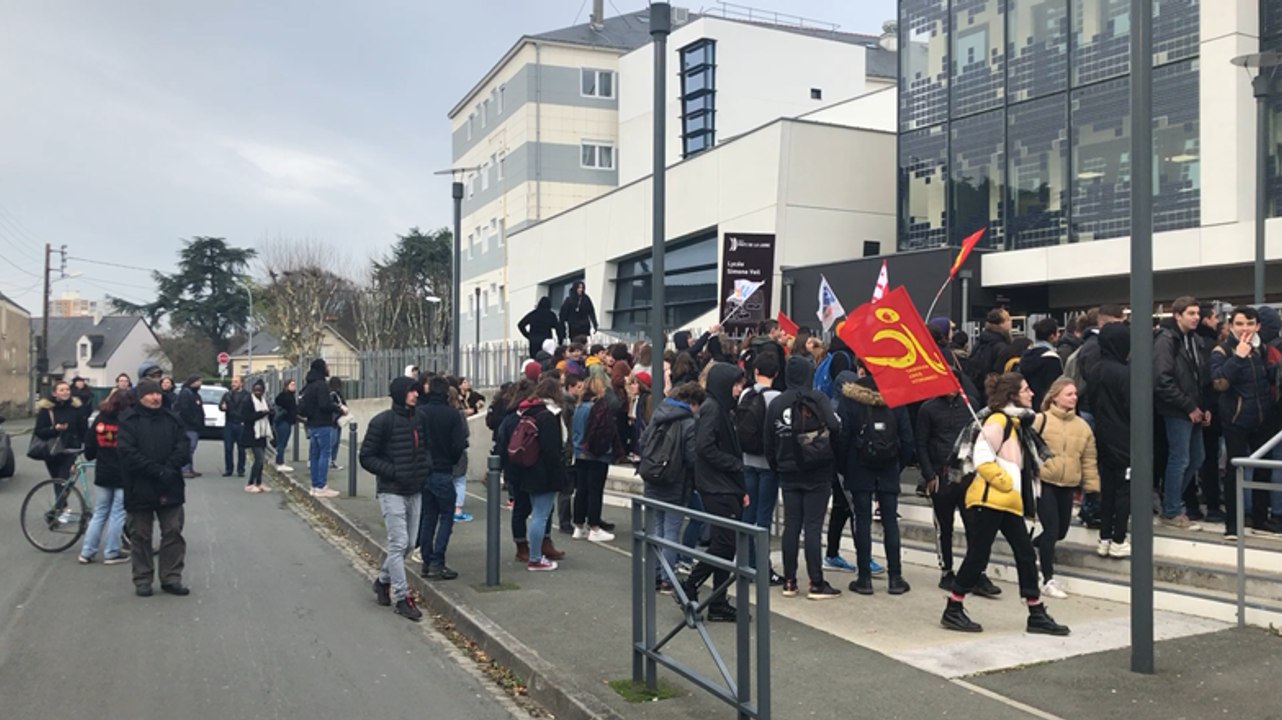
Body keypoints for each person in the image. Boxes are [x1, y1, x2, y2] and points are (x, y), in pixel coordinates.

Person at [941, 373, 1069, 636]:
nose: (1032, 393)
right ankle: (954, 607)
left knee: (1023, 554)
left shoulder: (1015, 423)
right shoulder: (999, 421)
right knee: (979, 556)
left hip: (1005, 501)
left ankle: (1035, 611)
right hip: (991, 500)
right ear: (1013, 395)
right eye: (1026, 389)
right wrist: (1006, 483)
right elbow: (982, 458)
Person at [766, 356, 843, 600]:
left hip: (787, 471)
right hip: (818, 470)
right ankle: (816, 582)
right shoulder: (817, 398)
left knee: (791, 525)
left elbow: (768, 440)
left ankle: (789, 580)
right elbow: (835, 426)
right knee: (812, 527)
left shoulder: (777, 403)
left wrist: (777, 465)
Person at [835, 368, 913, 596]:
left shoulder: (850, 398)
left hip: (859, 467)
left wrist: (845, 467)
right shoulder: (896, 398)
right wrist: (898, 466)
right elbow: (907, 439)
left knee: (862, 520)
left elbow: (842, 437)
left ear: (861, 370)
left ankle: (864, 578)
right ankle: (895, 577)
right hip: (889, 467)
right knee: (890, 521)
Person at [680, 362, 748, 622]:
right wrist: (735, 466)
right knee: (724, 544)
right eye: (736, 384)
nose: (739, 389)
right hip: (717, 485)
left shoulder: (718, 408)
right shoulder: (713, 409)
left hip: (723, 485)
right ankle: (694, 584)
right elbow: (705, 447)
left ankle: (718, 600)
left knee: (726, 545)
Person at [917, 389, 999, 595]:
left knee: (975, 525)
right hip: (941, 476)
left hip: (967, 474)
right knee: (944, 527)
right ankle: (947, 570)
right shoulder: (928, 408)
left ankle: (977, 572)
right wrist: (929, 475)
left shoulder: (969, 402)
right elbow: (921, 444)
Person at [362, 377, 429, 621]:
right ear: (400, 394)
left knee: (410, 543)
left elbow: (425, 448)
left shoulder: (420, 419)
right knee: (399, 542)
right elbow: (366, 456)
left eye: (416, 391)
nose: (415, 395)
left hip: (415, 488)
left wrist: (424, 468)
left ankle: (382, 581)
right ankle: (402, 596)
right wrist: (393, 471)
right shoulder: (382, 422)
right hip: (391, 490)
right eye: (411, 392)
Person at [118, 378, 191, 598]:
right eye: (150, 394)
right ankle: (143, 579)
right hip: (139, 485)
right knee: (140, 535)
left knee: (173, 532)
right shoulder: (129, 420)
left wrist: (168, 469)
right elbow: (127, 452)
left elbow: (183, 446)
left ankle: (171, 577)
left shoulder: (172, 419)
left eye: (158, 393)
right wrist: (154, 470)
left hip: (170, 485)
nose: (155, 397)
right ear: (141, 397)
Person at [1211, 306, 1278, 538]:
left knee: (1263, 470)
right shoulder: (1222, 350)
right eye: (1239, 324)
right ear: (1231, 326)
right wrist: (1238, 357)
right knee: (1234, 470)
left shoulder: (1263, 349)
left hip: (1262, 418)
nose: (1245, 329)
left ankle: (1260, 520)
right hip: (1236, 419)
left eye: (1250, 324)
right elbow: (1219, 382)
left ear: (1258, 326)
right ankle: (1233, 524)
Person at [1033, 377, 1100, 598]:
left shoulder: (1082, 427)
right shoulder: (1040, 420)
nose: (1074, 398)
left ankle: (1033, 547)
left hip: (1068, 483)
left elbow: (1088, 458)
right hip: (1045, 481)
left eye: (1075, 394)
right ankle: (1047, 578)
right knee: (1052, 529)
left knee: (1060, 531)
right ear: (1055, 396)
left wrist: (1092, 486)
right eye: (1069, 394)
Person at [640, 381, 704, 592]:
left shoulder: (660, 414)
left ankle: (655, 574)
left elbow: (644, 441)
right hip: (675, 482)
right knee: (671, 532)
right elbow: (692, 457)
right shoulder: (689, 423)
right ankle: (668, 578)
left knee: (657, 529)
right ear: (693, 403)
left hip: (653, 478)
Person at [1154, 297, 1209, 530]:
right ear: (1177, 315)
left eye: (1197, 313)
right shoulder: (1167, 340)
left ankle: (1170, 501)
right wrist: (1188, 406)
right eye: (1190, 313)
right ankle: (1172, 510)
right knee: (1181, 458)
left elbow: (1199, 377)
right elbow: (1162, 379)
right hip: (1177, 410)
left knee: (1196, 457)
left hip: (1191, 408)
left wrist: (1203, 407)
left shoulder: (1193, 340)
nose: (1196, 317)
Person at [508, 378, 570, 571]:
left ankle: (534, 554)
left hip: (528, 468)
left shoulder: (528, 412)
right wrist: (560, 475)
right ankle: (535, 558)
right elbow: (552, 450)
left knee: (536, 513)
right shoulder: (548, 417)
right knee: (540, 516)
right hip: (544, 473)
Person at [737, 351, 783, 586]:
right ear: (776, 373)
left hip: (747, 460)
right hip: (768, 463)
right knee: (763, 517)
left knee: (748, 514)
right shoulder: (777, 398)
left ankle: (746, 562)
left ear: (755, 371)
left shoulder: (746, 393)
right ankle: (763, 568)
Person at [1089, 323, 1134, 558]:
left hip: (1102, 436)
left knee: (1107, 489)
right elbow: (1131, 406)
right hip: (1125, 437)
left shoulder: (1095, 369)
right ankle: (1119, 538)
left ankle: (1105, 536)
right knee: (1125, 490)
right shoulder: (1125, 373)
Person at [417, 376, 467, 579]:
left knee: (428, 516)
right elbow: (459, 444)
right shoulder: (452, 415)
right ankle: (438, 560)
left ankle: (426, 559)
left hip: (423, 470)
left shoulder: (420, 413)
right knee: (446, 516)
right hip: (443, 468)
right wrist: (451, 459)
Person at [79, 388, 132, 565]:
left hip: (103, 471)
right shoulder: (128, 421)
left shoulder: (100, 419)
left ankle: (87, 551)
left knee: (100, 513)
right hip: (123, 473)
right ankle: (111, 552)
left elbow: (90, 447)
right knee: (118, 514)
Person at [571, 374, 618, 541]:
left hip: (579, 452)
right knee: (595, 491)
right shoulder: (598, 408)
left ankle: (578, 525)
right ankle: (594, 527)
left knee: (581, 490)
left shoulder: (579, 406)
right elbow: (604, 432)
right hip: (596, 454)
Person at [34, 380, 87, 510]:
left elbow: (83, 430)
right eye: (61, 390)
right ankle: (63, 507)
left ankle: (57, 511)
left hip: (70, 450)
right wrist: (55, 429)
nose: (65, 392)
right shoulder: (47, 410)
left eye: (67, 390)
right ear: (54, 393)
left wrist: (83, 448)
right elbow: (39, 431)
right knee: (57, 481)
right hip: (52, 451)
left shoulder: (76, 408)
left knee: (63, 480)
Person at [299, 359, 340, 498]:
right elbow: (324, 404)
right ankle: (321, 485)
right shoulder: (321, 385)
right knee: (324, 454)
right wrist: (338, 408)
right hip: (323, 423)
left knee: (314, 455)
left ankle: (315, 485)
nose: (328, 368)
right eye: (326, 366)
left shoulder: (309, 385)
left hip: (312, 424)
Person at [1019, 317, 1063, 410]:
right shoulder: (1052, 359)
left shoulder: (1025, 356)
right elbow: (1054, 387)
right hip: (1045, 407)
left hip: (1028, 404)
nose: (1059, 335)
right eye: (1058, 332)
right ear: (1052, 336)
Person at [239, 379, 273, 493]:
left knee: (261, 460)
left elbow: (268, 415)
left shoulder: (264, 401)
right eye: (256, 390)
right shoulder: (248, 401)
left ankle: (258, 482)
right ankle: (250, 483)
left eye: (260, 390)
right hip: (252, 433)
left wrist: (269, 413)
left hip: (262, 433)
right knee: (259, 459)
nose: (258, 392)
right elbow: (246, 417)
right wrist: (261, 414)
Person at [448, 387, 473, 522]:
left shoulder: (442, 413)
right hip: (459, 451)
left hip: (444, 451)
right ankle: (457, 510)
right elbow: (465, 432)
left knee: (449, 480)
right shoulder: (458, 414)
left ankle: (448, 508)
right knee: (460, 480)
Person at [174, 374, 204, 479]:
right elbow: (185, 410)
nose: (200, 383)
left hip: (194, 426)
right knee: (189, 447)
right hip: (188, 426)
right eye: (198, 381)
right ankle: (185, 469)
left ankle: (190, 468)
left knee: (191, 448)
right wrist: (194, 421)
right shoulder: (186, 393)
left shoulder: (194, 393)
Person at [220, 375, 249, 478]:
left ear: (241, 383)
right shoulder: (227, 395)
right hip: (230, 423)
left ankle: (241, 469)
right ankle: (229, 469)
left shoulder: (247, 395)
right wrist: (222, 407)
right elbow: (221, 406)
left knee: (241, 448)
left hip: (241, 423)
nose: (233, 384)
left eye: (236, 382)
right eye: (232, 382)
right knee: (228, 448)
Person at [273, 379, 299, 472]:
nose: (294, 386)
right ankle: (280, 462)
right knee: (282, 443)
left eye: (294, 384)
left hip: (284, 421)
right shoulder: (287, 397)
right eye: (292, 384)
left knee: (282, 442)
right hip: (284, 421)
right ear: (286, 386)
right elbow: (292, 409)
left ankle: (279, 461)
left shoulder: (286, 396)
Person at [327, 376, 349, 470]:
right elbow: (334, 407)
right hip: (333, 420)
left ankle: (332, 461)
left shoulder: (337, 394)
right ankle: (331, 461)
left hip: (336, 420)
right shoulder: (332, 394)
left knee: (335, 442)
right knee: (333, 441)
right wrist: (341, 410)